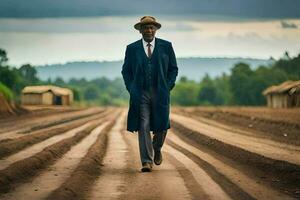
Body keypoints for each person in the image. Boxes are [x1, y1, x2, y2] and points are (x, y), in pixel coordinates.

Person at [121, 16, 178, 172]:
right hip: (141, 93)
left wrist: (168, 86)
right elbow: (126, 71)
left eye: (151, 27)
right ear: (140, 30)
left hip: (161, 92)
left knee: (162, 125)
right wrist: (131, 88)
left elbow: (173, 68)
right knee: (143, 124)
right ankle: (146, 161)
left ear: (156, 29)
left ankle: (157, 147)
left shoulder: (166, 46)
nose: (149, 30)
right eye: (145, 27)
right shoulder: (131, 48)